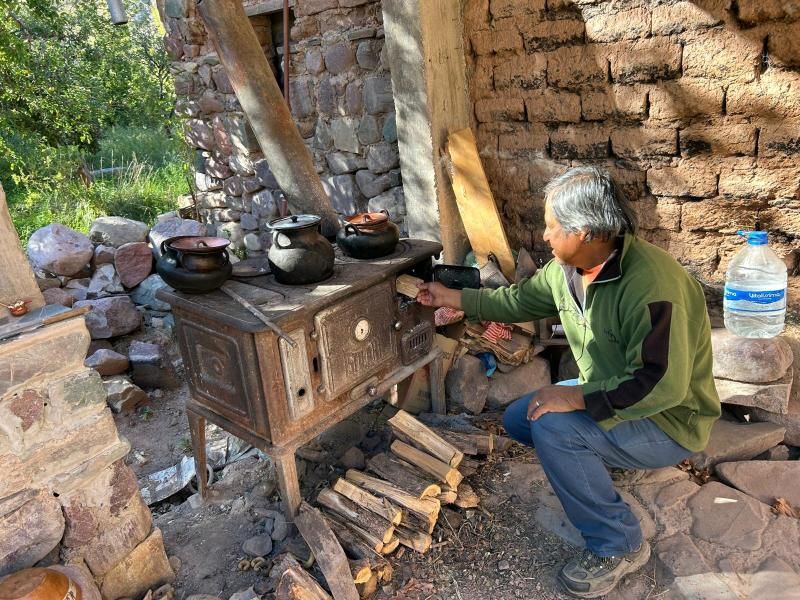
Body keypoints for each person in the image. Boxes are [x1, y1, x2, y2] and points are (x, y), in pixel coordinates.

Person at [416, 166, 720, 599]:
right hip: (614, 389)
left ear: (586, 231)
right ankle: (599, 459)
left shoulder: (652, 285)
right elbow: (519, 300)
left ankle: (619, 543)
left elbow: (661, 385)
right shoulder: (569, 269)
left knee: (554, 428)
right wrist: (455, 298)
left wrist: (576, 396)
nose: (544, 236)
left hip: (669, 419)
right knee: (523, 418)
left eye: (552, 227)